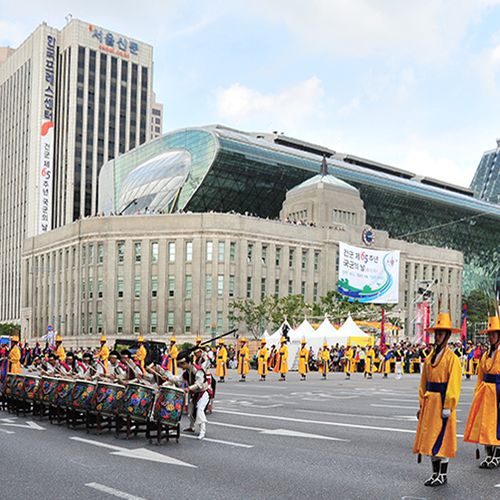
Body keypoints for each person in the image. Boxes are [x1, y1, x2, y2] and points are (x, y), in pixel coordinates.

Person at [413, 312, 462, 487]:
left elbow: (454, 384)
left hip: (442, 403)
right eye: (437, 333)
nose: (438, 336)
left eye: (442, 333)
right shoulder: (429, 358)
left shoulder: (452, 359)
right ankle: (435, 473)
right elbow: (423, 384)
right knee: (430, 438)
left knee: (443, 439)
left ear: (447, 336)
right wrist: (421, 404)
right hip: (430, 403)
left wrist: (448, 405)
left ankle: (442, 475)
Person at [463, 314, 500, 468]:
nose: (490, 337)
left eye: (493, 334)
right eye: (489, 334)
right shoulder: (485, 355)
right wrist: (477, 393)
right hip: (485, 392)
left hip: (497, 392)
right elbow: (480, 376)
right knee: (485, 424)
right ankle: (488, 454)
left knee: (496, 424)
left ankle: (497, 455)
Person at [164, 350, 210, 440]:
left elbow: (199, 384)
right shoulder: (187, 372)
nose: (181, 367)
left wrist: (189, 388)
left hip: (203, 392)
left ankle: (202, 431)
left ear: (186, 362)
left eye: (182, 364)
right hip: (194, 393)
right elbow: (178, 379)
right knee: (190, 410)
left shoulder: (198, 370)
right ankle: (192, 427)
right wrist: (168, 377)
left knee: (200, 409)